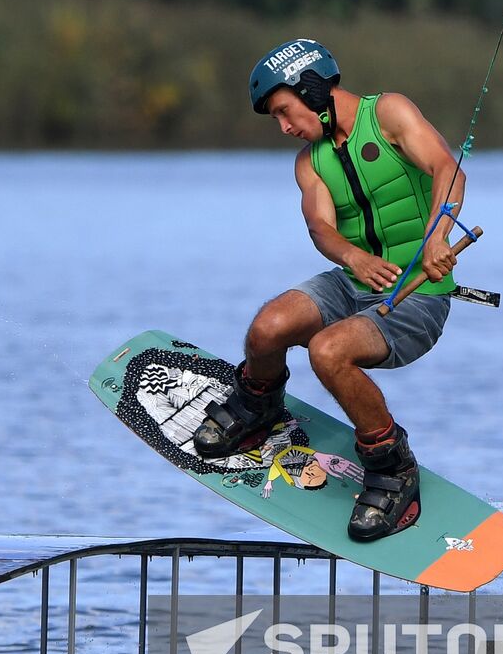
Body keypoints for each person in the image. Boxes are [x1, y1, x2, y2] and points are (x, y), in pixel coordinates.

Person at [193, 38, 465, 542]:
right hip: (352, 282)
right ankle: (259, 404)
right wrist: (353, 257)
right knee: (268, 327)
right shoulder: (309, 162)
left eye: (284, 111)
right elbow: (321, 229)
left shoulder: (388, 113)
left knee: (328, 351)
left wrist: (437, 239)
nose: (284, 127)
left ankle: (391, 465)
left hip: (419, 297)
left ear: (311, 89)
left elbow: (448, 169)